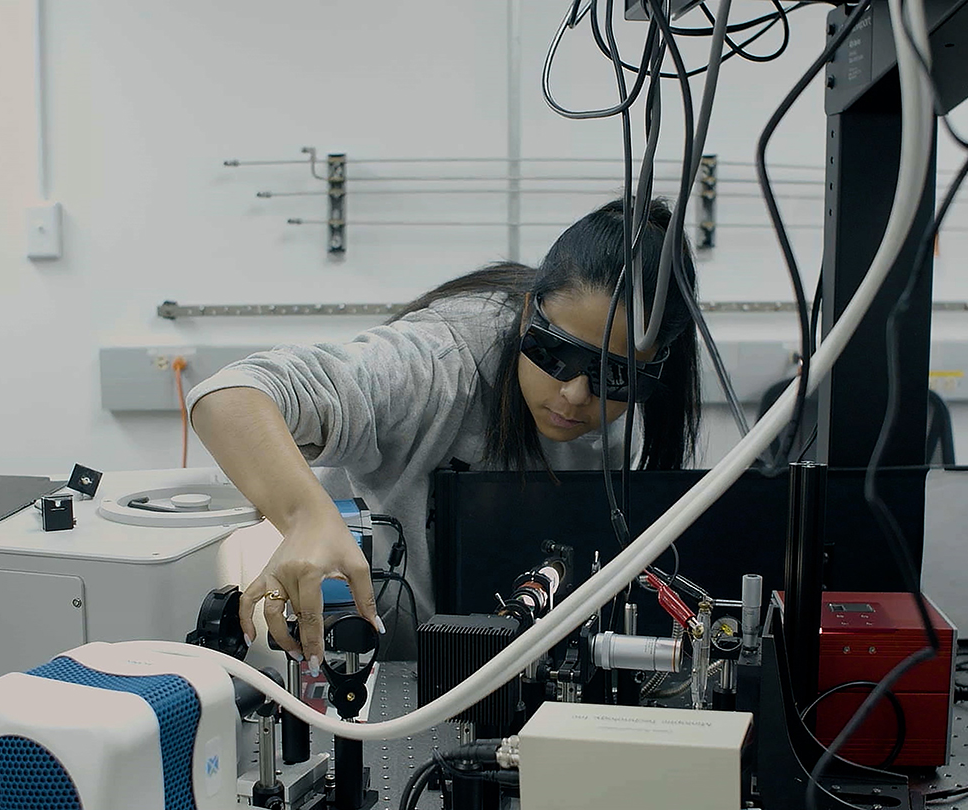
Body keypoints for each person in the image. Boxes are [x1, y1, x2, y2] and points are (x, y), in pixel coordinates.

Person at [187, 196, 701, 669]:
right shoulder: (436, 366)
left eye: (616, 376)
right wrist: (306, 517)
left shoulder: (628, 416)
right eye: (556, 354)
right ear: (529, 315)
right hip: (382, 671)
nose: (573, 394)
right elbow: (231, 396)